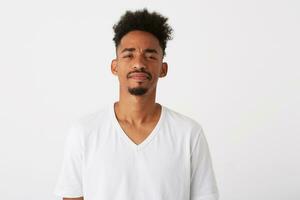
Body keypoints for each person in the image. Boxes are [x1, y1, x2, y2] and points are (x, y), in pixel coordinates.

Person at [54, 8, 219, 200]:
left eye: (150, 55)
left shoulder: (189, 134)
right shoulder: (84, 132)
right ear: (114, 66)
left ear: (163, 68)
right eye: (129, 55)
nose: (139, 63)